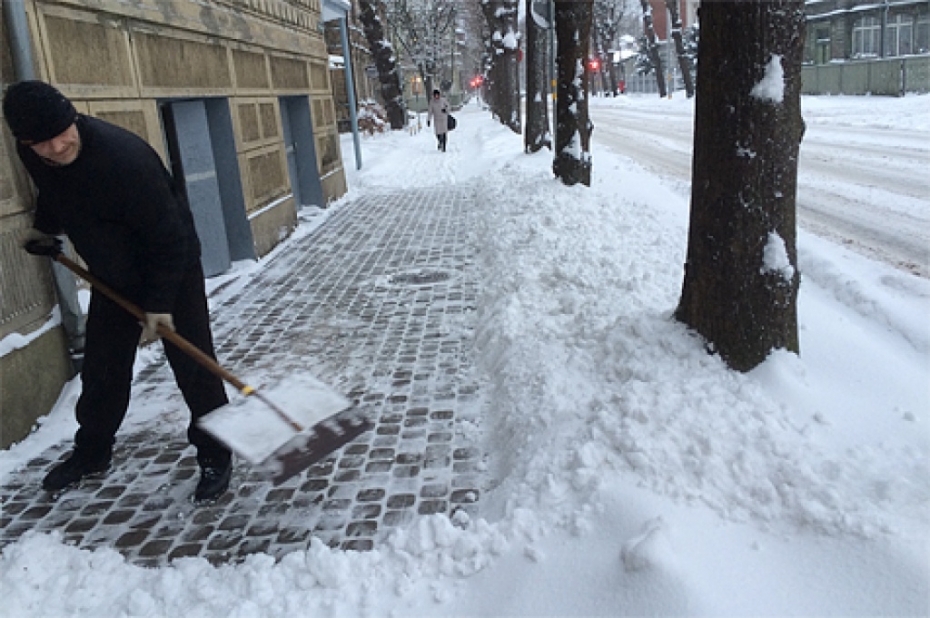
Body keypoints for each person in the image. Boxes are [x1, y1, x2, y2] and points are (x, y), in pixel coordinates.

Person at [2, 80, 233, 503]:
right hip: (113, 276)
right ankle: (92, 452)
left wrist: (160, 305)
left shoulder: (124, 160)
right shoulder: (34, 151)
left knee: (194, 367)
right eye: (41, 142)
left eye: (60, 134)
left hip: (172, 269)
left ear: (73, 116)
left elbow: (171, 240)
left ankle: (215, 451)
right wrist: (46, 228)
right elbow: (57, 189)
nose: (54, 148)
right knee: (103, 369)